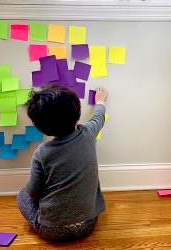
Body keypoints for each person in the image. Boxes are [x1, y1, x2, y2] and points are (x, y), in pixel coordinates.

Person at [17, 83, 108, 242]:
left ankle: (49, 217)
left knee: (22, 196)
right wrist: (100, 101)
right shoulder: (88, 133)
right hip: (88, 223)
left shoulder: (42, 153)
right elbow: (98, 118)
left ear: (40, 127)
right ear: (77, 115)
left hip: (52, 231)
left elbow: (32, 193)